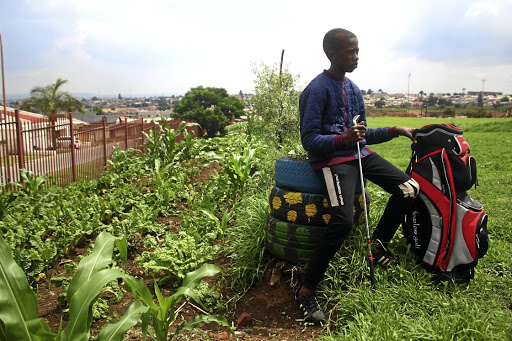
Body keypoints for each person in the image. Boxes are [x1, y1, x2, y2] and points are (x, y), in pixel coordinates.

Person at [296, 28, 420, 324]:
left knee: (409, 188)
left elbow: (363, 135)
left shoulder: (353, 88)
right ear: (331, 54)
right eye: (350, 51)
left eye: (357, 50)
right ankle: (306, 289)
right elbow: (309, 140)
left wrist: (394, 131)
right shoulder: (316, 90)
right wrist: (343, 140)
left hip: (358, 154)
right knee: (343, 220)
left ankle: (377, 245)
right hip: (332, 160)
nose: (356, 56)